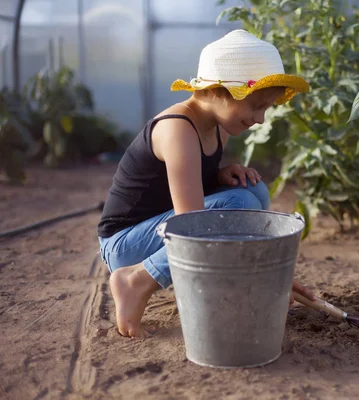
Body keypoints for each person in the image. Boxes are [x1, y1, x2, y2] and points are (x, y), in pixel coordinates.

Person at [97, 29, 315, 338]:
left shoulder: (216, 126)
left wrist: (217, 174)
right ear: (217, 92)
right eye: (256, 106)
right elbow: (190, 224)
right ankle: (136, 280)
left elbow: (178, 188)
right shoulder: (177, 129)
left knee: (252, 191)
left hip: (156, 230)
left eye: (266, 108)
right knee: (239, 206)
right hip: (125, 244)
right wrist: (264, 273)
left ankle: (218, 279)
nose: (261, 119)